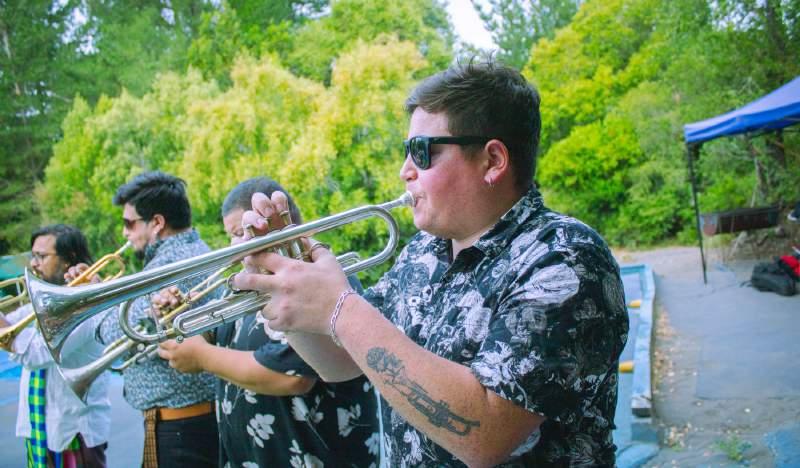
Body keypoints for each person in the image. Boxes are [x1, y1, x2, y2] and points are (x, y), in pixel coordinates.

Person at [233, 60, 629, 466]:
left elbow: (485, 435)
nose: (404, 171)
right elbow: (344, 362)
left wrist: (340, 308)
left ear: (493, 160)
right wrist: (284, 286)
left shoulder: (565, 258)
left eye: (422, 152)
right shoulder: (424, 251)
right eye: (406, 152)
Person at [156, 177, 380, 467]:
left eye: (241, 232)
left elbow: (293, 376)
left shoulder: (326, 277)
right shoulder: (243, 284)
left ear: (277, 224)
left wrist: (201, 357)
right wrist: (174, 316)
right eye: (230, 235)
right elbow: (212, 337)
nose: (234, 246)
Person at [92, 171, 219, 467]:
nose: (125, 233)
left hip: (180, 426)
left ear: (157, 223)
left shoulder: (170, 266)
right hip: (188, 421)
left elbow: (116, 333)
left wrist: (95, 298)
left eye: (129, 223)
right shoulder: (191, 251)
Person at [0, 224, 110, 467]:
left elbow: (36, 354)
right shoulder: (46, 300)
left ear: (68, 258)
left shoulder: (87, 303)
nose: (34, 264)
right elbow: (12, 324)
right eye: (33, 256)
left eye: (42, 256)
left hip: (74, 432)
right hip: (38, 426)